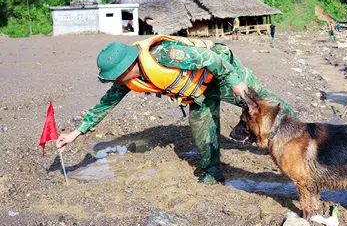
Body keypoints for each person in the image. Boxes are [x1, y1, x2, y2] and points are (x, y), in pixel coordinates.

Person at [56, 35, 294, 184]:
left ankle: (304, 134)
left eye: (115, 77)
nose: (114, 82)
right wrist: (76, 133)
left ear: (127, 66)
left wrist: (236, 82)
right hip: (199, 90)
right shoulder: (127, 80)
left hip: (224, 73)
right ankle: (213, 172)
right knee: (202, 131)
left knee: (267, 106)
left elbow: (213, 59)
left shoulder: (163, 54)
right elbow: (105, 104)